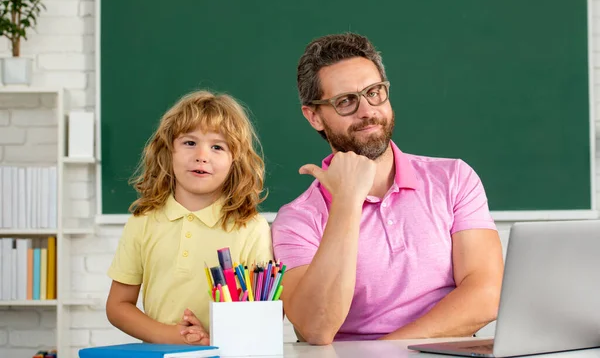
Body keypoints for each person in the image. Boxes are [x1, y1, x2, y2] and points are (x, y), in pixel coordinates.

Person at [271, 33, 504, 345]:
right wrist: (347, 202)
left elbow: (487, 294)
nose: (367, 111)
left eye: (374, 92)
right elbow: (316, 327)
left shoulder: (454, 178)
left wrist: (387, 352)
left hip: (444, 351)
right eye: (345, 101)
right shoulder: (297, 219)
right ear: (314, 116)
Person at [106, 91, 273, 345]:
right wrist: (173, 336)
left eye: (217, 146)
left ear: (234, 162)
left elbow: (262, 316)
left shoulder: (251, 227)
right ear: (168, 151)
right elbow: (118, 305)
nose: (202, 155)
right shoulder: (143, 221)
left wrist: (211, 339)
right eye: (190, 142)